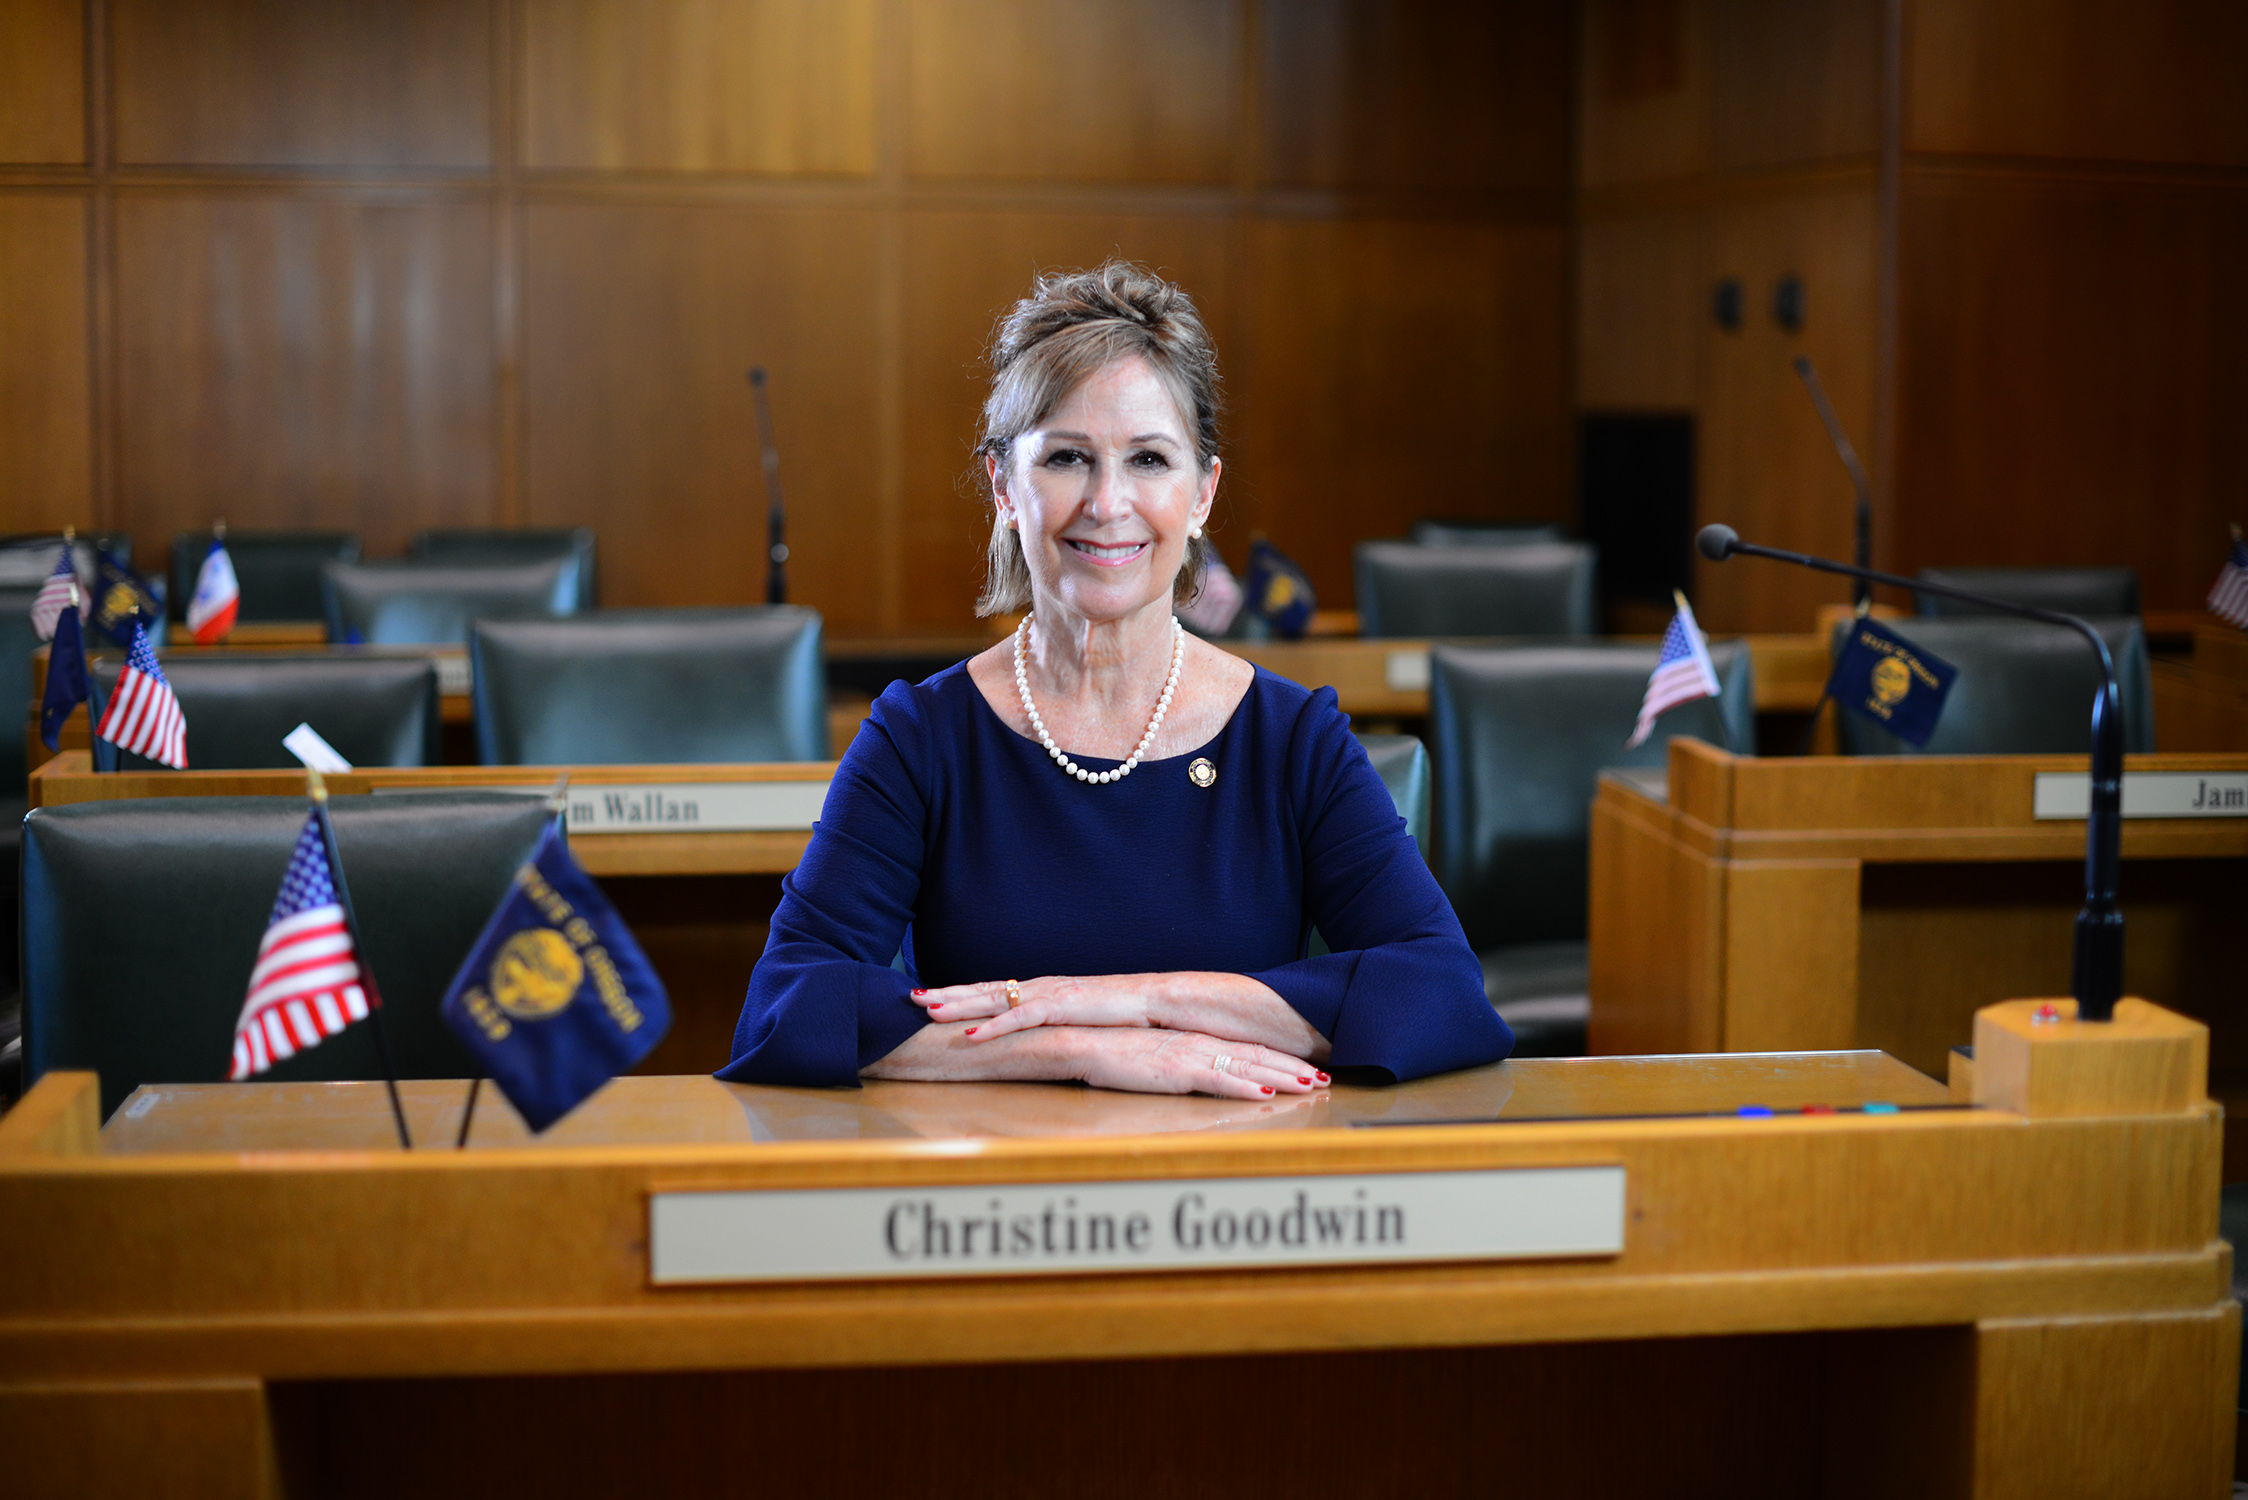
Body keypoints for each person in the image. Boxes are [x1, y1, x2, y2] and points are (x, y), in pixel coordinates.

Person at [717, 260, 1511, 1097]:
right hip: (993, 1208)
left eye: (1148, 459)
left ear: (1202, 493)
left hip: (1248, 1201)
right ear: (1004, 487)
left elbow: (1443, 994)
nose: (1106, 502)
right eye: (1066, 457)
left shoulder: (1292, 739)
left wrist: (1135, 1004)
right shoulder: (919, 737)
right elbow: (786, 1004)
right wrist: (1081, 1048)